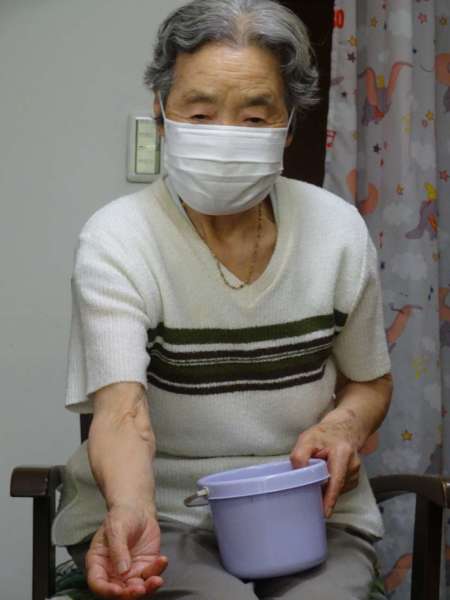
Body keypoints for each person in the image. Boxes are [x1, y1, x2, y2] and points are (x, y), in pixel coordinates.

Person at [51, 1, 393, 598]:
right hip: (166, 512)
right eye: (200, 113)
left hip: (306, 506)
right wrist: (131, 507)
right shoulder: (118, 239)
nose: (226, 136)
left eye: (255, 117)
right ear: (162, 115)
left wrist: (342, 426)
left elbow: (370, 381)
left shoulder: (338, 232)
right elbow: (121, 413)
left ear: (289, 125)